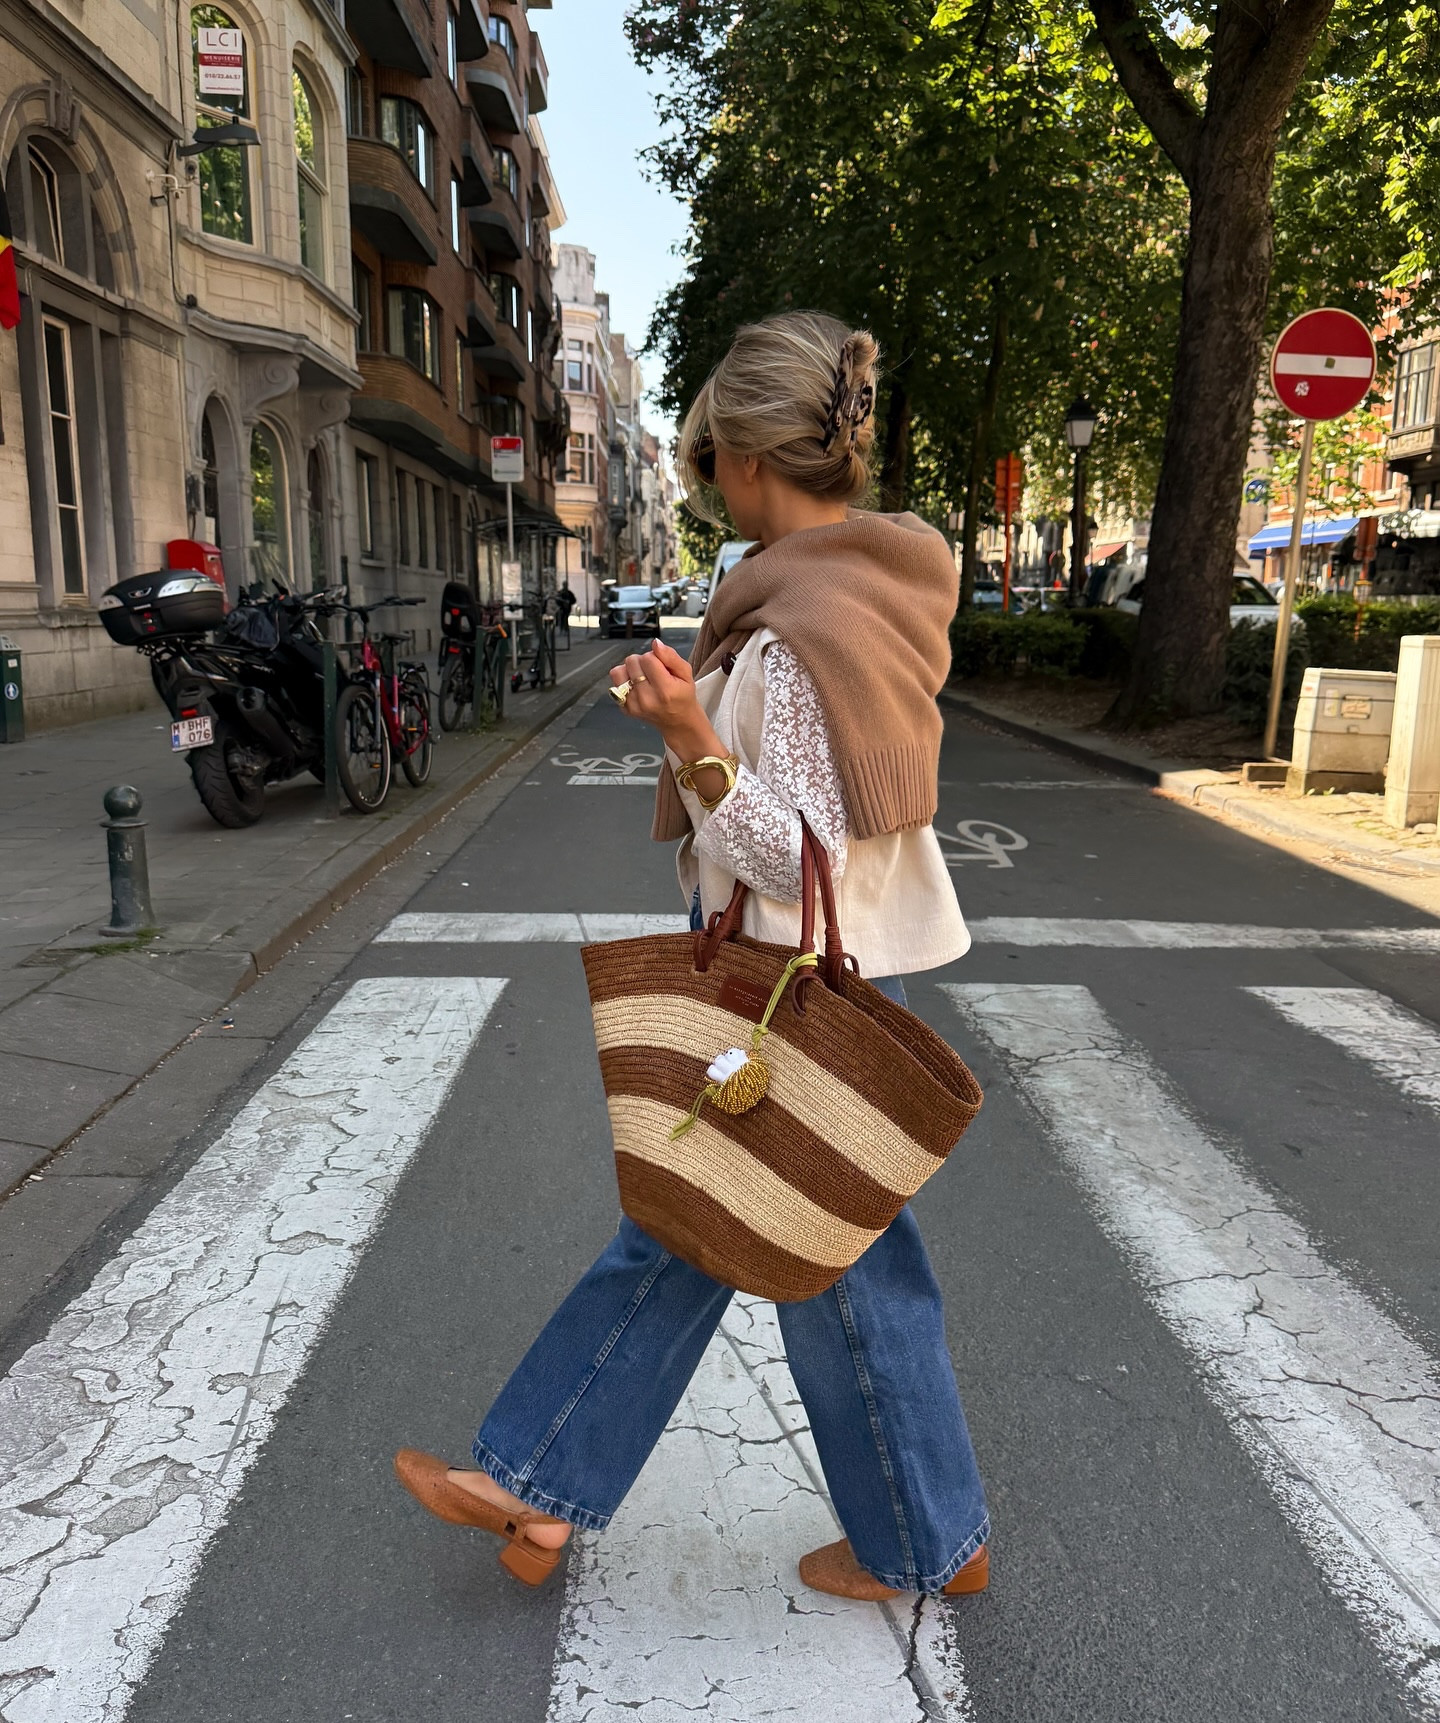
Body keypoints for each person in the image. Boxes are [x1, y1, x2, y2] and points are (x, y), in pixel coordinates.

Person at [395, 310, 990, 1602]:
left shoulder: (794, 632)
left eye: (711, 452)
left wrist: (684, 730)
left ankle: (542, 1486)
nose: (708, 474)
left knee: (702, 1231)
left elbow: (795, 854)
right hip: (824, 983)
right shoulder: (864, 592)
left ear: (747, 460)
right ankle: (926, 1531)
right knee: (787, 1253)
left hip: (790, 987)